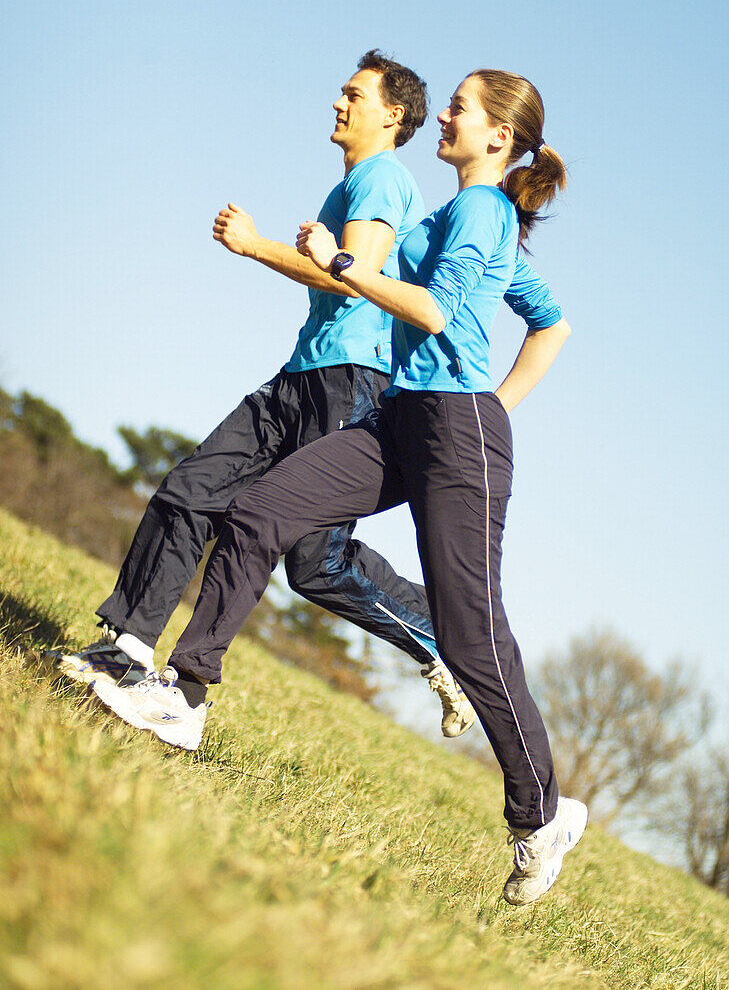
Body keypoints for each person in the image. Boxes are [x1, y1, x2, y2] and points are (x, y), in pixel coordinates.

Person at [93, 67, 587, 905]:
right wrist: (321, 262)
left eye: (461, 110)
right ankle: (183, 694)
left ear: (497, 137)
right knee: (259, 508)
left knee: (469, 638)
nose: (450, 118)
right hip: (403, 420)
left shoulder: (482, 209)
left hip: (455, 434)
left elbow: (432, 311)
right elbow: (550, 319)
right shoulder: (458, 212)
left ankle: (540, 813)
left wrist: (352, 269)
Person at [48, 50, 477, 738]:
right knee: (192, 488)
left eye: (352, 93)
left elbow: (350, 275)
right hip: (303, 372)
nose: (337, 102)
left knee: (313, 561)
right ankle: (127, 649)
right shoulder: (355, 185)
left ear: (391, 114)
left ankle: (442, 636)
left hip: (350, 379)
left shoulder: (382, 178)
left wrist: (255, 246)